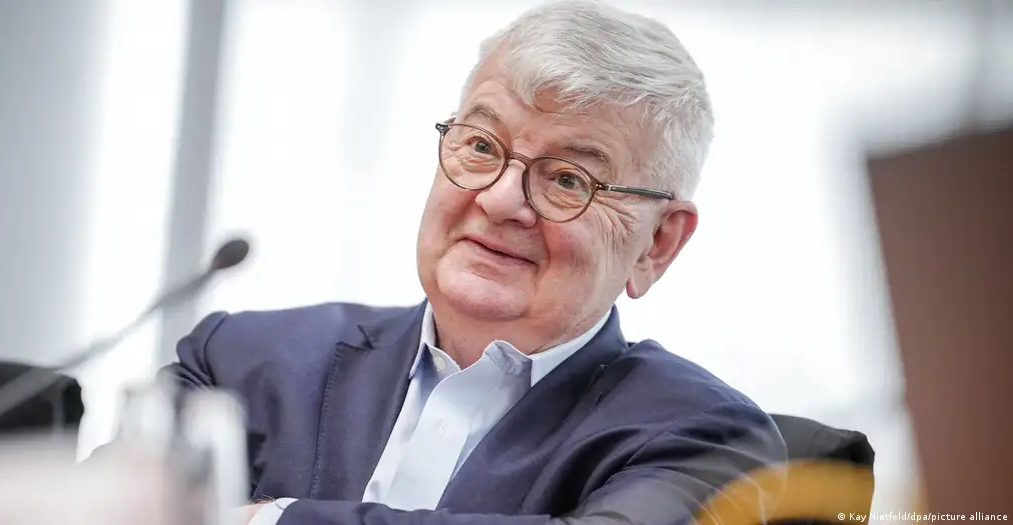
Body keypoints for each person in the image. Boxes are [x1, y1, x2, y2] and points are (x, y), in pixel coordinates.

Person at [164, 1, 788, 523]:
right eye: (482, 146)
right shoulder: (240, 361)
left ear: (657, 243)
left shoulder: (709, 438)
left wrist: (264, 519)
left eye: (568, 180)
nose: (499, 200)